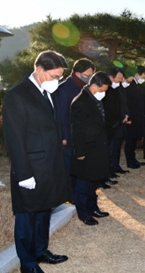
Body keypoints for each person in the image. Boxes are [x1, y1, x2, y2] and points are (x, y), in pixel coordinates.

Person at [2, 50, 72, 273]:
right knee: (27, 219)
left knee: (44, 213)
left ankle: (41, 250)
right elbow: (14, 138)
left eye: (60, 77)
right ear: (39, 70)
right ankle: (28, 264)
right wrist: (23, 175)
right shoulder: (17, 95)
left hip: (49, 166)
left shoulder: (49, 92)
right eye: (54, 76)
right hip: (31, 169)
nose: (57, 81)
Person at [70, 72, 111, 226]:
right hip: (86, 150)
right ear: (94, 86)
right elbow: (77, 130)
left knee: (94, 182)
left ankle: (93, 207)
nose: (104, 94)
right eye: (102, 90)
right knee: (83, 184)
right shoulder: (80, 102)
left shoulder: (95, 100)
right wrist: (79, 152)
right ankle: (84, 213)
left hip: (98, 147)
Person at [56, 58, 95, 198]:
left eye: (91, 75)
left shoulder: (85, 88)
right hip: (70, 137)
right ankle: (71, 195)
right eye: (87, 75)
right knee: (70, 168)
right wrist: (64, 137)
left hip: (82, 135)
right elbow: (62, 116)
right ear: (77, 73)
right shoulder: (64, 89)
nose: (89, 78)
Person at [104, 67, 129, 176]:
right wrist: (116, 120)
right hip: (110, 125)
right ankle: (108, 170)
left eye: (120, 80)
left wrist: (126, 115)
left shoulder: (120, 88)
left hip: (120, 123)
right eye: (117, 80)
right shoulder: (106, 89)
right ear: (110, 77)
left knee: (117, 148)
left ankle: (115, 166)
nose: (119, 82)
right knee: (110, 149)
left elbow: (124, 103)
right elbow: (107, 109)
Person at [124, 66, 145, 168]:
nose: (143, 79)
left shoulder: (137, 85)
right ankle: (130, 162)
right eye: (143, 76)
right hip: (131, 118)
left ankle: (133, 159)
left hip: (137, 117)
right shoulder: (129, 86)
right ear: (137, 75)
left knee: (134, 140)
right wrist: (128, 117)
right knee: (129, 141)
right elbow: (126, 103)